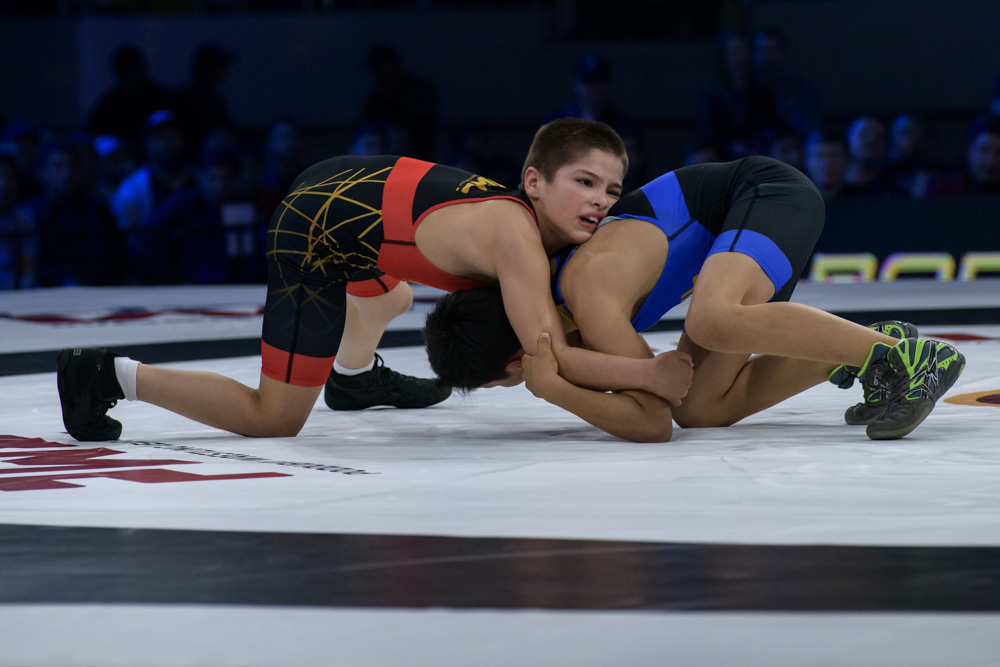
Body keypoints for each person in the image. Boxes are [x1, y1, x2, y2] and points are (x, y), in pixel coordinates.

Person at [57, 118, 682, 442]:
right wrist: (650, 374)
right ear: (534, 182)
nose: (600, 201)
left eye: (611, 190)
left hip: (347, 195)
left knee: (395, 294)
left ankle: (352, 378)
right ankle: (107, 375)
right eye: (584, 182)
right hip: (315, 228)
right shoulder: (516, 238)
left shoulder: (528, 230)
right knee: (274, 418)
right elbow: (550, 357)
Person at [425, 156, 965, 442]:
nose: (528, 379)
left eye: (514, 379)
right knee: (701, 409)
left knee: (710, 320)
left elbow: (650, 420)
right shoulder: (569, 324)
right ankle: (873, 346)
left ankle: (913, 361)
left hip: (765, 194)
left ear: (515, 358)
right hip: (740, 241)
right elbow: (666, 402)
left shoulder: (583, 293)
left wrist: (553, 389)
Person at [361, 43, 439, 161]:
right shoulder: (375, 99)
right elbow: (366, 132)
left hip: (419, 161)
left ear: (391, 64)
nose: (375, 74)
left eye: (378, 67)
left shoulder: (419, 91)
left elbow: (424, 124)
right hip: (383, 163)